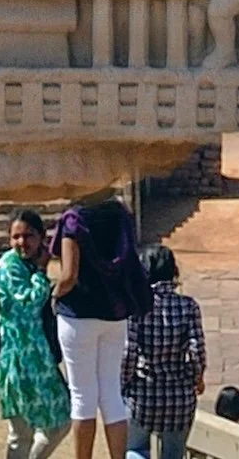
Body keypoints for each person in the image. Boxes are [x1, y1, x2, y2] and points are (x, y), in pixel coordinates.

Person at [51, 192, 152, 458]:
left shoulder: (74, 219)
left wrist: (54, 294)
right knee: (111, 393)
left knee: (83, 397)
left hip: (78, 316)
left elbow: (69, 275)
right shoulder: (119, 214)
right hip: (114, 313)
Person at [0, 210, 72, 459]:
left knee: (59, 421)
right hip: (17, 364)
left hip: (38, 362)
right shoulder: (10, 267)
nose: (22, 242)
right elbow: (28, 305)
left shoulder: (27, 266)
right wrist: (41, 272)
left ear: (41, 238)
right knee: (21, 434)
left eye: (28, 236)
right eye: (16, 237)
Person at [122, 245, 205, 459]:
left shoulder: (136, 306)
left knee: (135, 449)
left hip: (144, 393)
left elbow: (129, 351)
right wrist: (197, 378)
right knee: (174, 453)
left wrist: (124, 382)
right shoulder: (189, 306)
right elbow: (197, 351)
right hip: (179, 395)